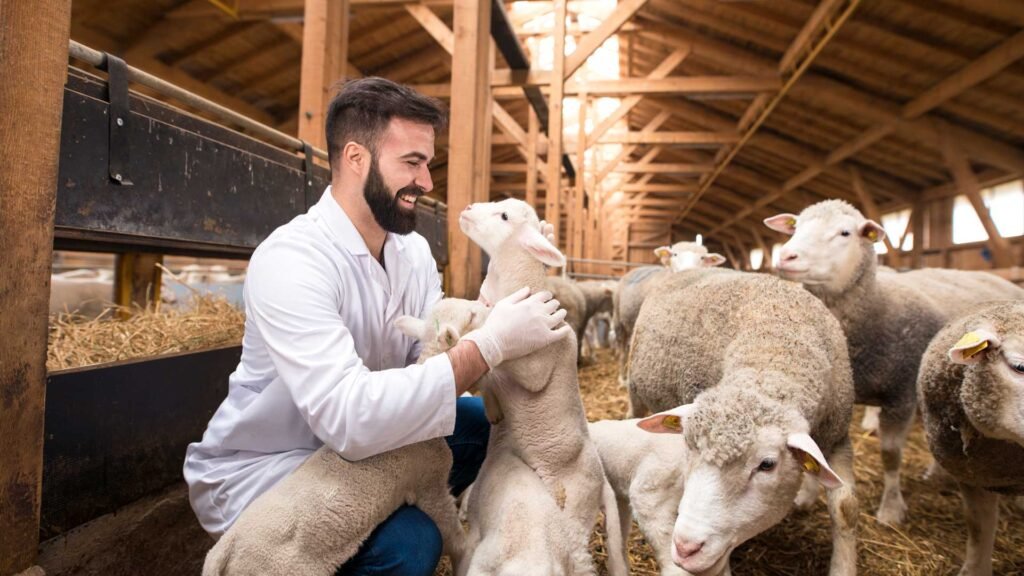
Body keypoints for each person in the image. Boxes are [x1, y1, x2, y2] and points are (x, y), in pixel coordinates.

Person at [183, 77, 570, 575]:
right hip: (277, 466)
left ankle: (433, 514)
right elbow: (347, 418)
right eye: (412, 162)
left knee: (485, 427)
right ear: (355, 158)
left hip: (375, 449)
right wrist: (489, 344)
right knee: (412, 546)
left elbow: (434, 359)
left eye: (427, 163)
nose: (428, 182)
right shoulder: (292, 259)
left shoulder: (411, 253)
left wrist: (498, 290)